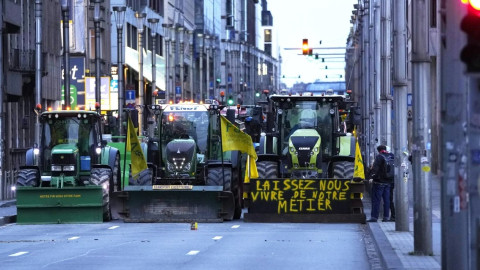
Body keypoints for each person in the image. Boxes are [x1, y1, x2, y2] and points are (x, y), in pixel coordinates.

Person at [367, 145, 394, 222]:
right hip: (388, 182)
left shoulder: (379, 157)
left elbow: (375, 169)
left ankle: (374, 217)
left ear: (378, 150)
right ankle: (386, 217)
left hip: (379, 182)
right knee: (387, 200)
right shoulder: (391, 156)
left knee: (376, 200)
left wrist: (371, 177)